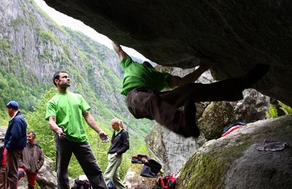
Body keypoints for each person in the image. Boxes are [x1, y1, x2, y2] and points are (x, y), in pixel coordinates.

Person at [112, 41, 270, 137]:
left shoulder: (160, 77)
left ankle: (242, 83)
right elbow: (118, 50)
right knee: (151, 100)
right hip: (135, 97)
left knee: (190, 91)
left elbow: (182, 82)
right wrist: (110, 31)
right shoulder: (131, 64)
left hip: (154, 100)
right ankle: (180, 122)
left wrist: (202, 69)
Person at [45, 70, 123, 189]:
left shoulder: (78, 97)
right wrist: (58, 130)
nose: (68, 79)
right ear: (57, 81)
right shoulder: (53, 101)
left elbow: (87, 116)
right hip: (63, 139)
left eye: (68, 77)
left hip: (81, 139)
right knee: (62, 171)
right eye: (64, 77)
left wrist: (99, 131)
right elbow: (51, 121)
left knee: (94, 170)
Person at [3, 100, 27, 189]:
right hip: (16, 148)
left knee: (12, 171)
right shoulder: (19, 118)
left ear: (11, 109)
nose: (8, 112)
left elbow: (15, 136)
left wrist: (8, 145)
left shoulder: (17, 120)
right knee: (11, 170)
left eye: (8, 109)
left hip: (14, 149)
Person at [103, 118, 130, 189]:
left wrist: (117, 153)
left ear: (118, 124)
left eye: (113, 125)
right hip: (111, 155)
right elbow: (113, 143)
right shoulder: (115, 132)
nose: (112, 127)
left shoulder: (124, 133)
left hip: (116, 156)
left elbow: (126, 146)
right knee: (115, 177)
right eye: (111, 125)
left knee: (107, 175)